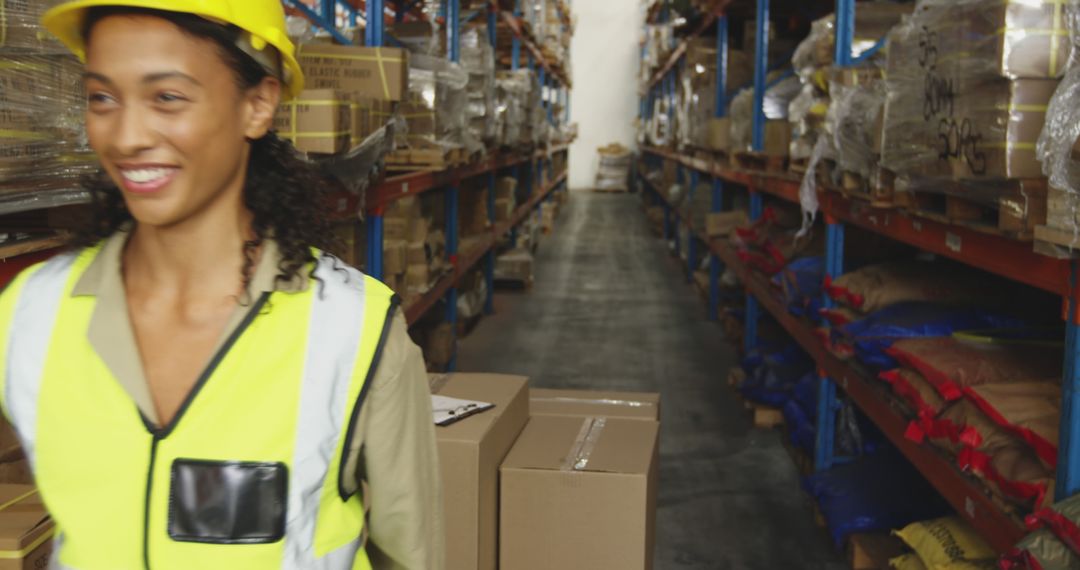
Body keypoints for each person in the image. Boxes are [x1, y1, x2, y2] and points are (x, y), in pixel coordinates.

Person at [0, 1, 443, 568]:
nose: (127, 136)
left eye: (167, 97)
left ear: (257, 105)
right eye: (102, 98)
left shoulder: (353, 330)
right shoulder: (32, 313)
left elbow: (413, 552)